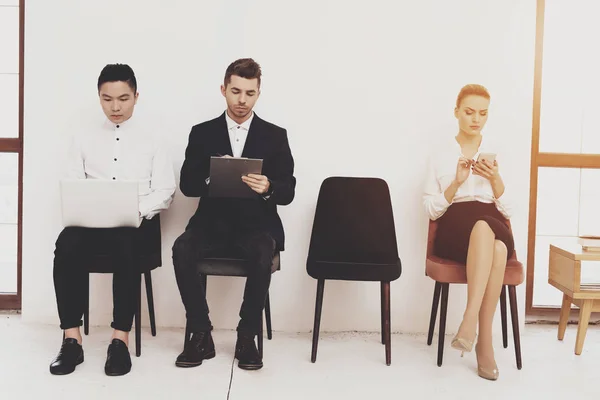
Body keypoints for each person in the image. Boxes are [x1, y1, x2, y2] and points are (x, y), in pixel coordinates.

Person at [49, 64, 176, 376]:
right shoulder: (82, 136)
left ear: (136, 96)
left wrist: (134, 208)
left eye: (123, 98)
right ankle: (71, 339)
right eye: (107, 99)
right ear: (99, 98)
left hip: (134, 224)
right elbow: (71, 182)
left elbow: (165, 190)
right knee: (65, 246)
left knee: (126, 246)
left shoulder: (154, 137)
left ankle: (120, 340)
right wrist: (91, 204)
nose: (115, 107)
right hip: (91, 223)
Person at [172, 58, 295, 371]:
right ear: (223, 89)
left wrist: (268, 186)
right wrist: (213, 176)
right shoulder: (202, 133)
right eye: (236, 91)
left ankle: (247, 335)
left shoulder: (275, 135)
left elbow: (289, 190)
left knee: (263, 249)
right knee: (181, 247)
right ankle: (201, 332)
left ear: (258, 93)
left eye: (250, 93)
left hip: (256, 225)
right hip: (211, 223)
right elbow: (187, 185)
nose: (242, 100)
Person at [423, 84, 514, 381]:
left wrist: (496, 180)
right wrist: (456, 183)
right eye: (469, 112)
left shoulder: (498, 152)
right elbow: (431, 210)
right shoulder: (439, 154)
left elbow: (511, 208)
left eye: (483, 113)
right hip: (456, 227)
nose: (476, 119)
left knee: (487, 228)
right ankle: (484, 344)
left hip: (492, 218)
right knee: (496, 248)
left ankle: (468, 321)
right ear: (457, 112)